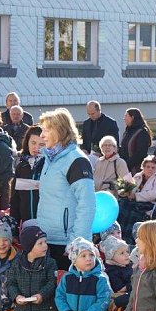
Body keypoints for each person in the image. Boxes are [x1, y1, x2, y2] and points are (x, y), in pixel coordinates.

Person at [36, 109, 96, 270]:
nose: (42, 135)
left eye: (46, 130)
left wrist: (76, 242)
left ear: (60, 131)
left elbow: (87, 204)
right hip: (47, 239)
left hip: (67, 245)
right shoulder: (50, 158)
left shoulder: (76, 161)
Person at [117, 155, 156, 235]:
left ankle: (130, 236)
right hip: (135, 202)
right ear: (143, 167)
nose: (150, 169)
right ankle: (120, 233)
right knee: (122, 205)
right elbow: (125, 188)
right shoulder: (138, 176)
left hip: (151, 204)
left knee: (134, 211)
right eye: (148, 167)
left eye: (153, 167)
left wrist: (136, 196)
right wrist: (125, 192)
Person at [10, 126, 43, 225]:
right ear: (27, 142)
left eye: (41, 144)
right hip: (26, 224)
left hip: (47, 225)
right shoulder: (21, 167)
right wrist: (14, 228)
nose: (36, 147)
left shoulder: (50, 166)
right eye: (33, 143)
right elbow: (15, 200)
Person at [100, 235, 133, 308]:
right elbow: (120, 290)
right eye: (122, 253)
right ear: (111, 256)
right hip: (123, 303)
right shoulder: (112, 271)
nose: (127, 254)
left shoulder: (130, 265)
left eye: (127, 251)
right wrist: (133, 284)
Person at [119, 108, 152, 174]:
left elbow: (140, 153)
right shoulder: (127, 132)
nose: (124, 118)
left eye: (126, 116)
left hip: (137, 170)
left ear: (132, 117)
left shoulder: (142, 132)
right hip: (125, 169)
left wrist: (126, 164)